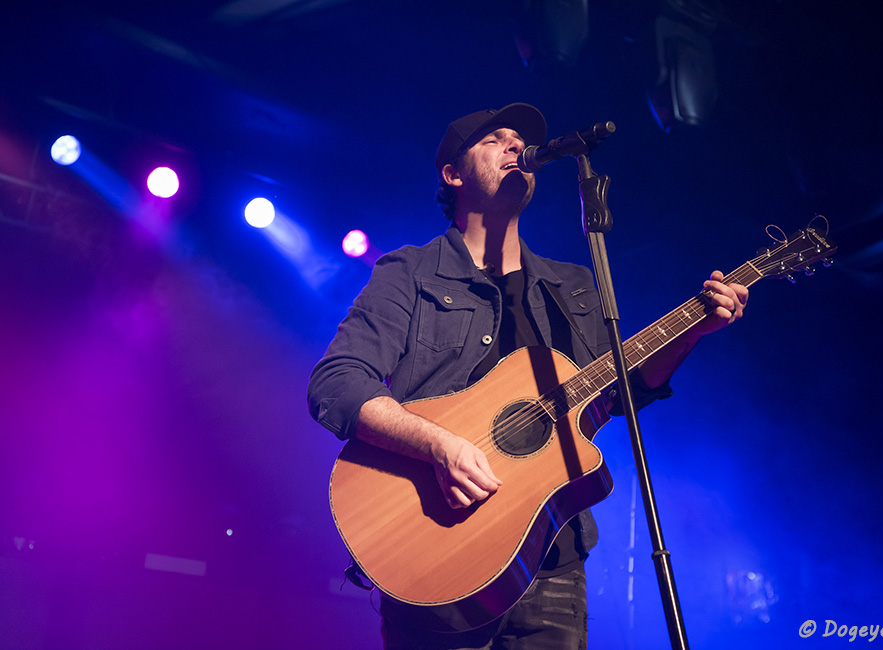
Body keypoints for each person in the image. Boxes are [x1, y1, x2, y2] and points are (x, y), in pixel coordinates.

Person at [307, 103, 749, 649]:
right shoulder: (411, 272)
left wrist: (692, 332)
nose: (517, 147)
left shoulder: (573, 287)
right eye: (496, 140)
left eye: (522, 141)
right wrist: (439, 445)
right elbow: (338, 382)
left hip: (552, 564)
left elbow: (617, 396)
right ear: (452, 174)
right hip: (435, 554)